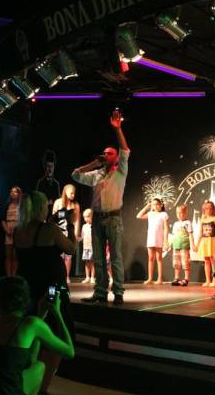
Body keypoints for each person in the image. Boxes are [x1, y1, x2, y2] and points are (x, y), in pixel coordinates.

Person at [0, 276, 74, 395]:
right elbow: (69, 352)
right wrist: (57, 313)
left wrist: (40, 316)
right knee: (40, 366)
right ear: (26, 301)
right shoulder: (31, 323)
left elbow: (28, 361)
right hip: (2, 392)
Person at [14, 191, 75, 394]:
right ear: (41, 207)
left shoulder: (18, 230)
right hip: (51, 289)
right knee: (54, 337)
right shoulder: (50, 229)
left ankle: (30, 384)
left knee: (33, 337)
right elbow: (71, 249)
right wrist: (70, 225)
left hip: (28, 290)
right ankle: (43, 388)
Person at [71, 110, 130, 305]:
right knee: (98, 258)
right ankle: (100, 292)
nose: (105, 155)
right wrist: (94, 163)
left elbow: (125, 150)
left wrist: (118, 129)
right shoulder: (96, 174)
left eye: (109, 153)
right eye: (103, 153)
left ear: (116, 158)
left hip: (113, 218)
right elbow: (75, 175)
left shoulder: (120, 171)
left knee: (115, 257)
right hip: (97, 218)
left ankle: (118, 292)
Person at [52, 184, 80, 285]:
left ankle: (67, 276)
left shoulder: (75, 205)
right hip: (59, 231)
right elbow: (53, 216)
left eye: (74, 193)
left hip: (69, 232)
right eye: (71, 193)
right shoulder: (58, 202)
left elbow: (77, 220)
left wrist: (76, 233)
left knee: (68, 256)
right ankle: (59, 276)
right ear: (66, 192)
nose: (73, 195)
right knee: (59, 256)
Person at [137, 198, 169, 285]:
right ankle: (150, 278)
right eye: (154, 204)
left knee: (159, 258)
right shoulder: (150, 214)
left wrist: (165, 240)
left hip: (159, 238)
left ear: (161, 205)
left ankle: (159, 279)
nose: (156, 206)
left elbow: (166, 228)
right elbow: (138, 216)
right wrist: (147, 206)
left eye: (157, 204)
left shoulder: (164, 214)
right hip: (151, 238)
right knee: (151, 258)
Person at [194, 201, 215, 287]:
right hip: (205, 242)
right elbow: (201, 233)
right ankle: (207, 280)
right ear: (204, 209)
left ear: (213, 209)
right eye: (206, 208)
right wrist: (197, 245)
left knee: (213, 261)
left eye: (210, 208)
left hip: (212, 241)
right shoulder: (203, 220)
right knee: (206, 261)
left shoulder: (214, 219)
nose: (208, 210)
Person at [2, 186, 22, 277]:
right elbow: (2, 219)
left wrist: (17, 230)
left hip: (18, 231)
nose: (13, 193)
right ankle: (8, 276)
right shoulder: (7, 205)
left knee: (15, 256)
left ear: (19, 194)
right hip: (8, 230)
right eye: (11, 191)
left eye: (15, 192)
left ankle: (13, 275)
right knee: (8, 255)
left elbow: (23, 219)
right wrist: (6, 230)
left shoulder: (21, 206)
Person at [170, 204, 193, 286]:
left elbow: (190, 234)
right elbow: (173, 235)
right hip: (176, 245)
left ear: (185, 213)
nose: (179, 214)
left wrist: (193, 245)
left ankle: (186, 278)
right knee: (176, 262)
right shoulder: (175, 223)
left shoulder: (188, 223)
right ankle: (176, 278)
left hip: (184, 245)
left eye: (181, 213)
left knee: (185, 262)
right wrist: (169, 244)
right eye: (177, 213)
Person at [78, 209, 95, 284]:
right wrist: (78, 239)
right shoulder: (84, 226)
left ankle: (92, 277)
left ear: (92, 216)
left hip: (92, 247)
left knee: (93, 262)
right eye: (85, 217)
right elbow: (82, 236)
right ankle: (87, 277)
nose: (86, 219)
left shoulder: (94, 226)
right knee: (87, 262)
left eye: (88, 217)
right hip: (86, 247)